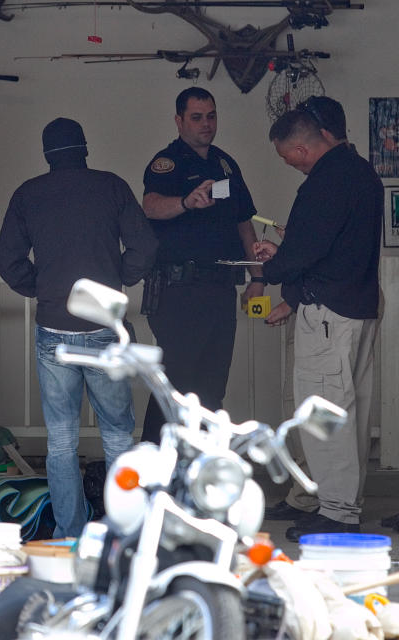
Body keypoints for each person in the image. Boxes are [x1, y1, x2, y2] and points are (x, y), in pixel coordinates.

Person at [0, 117, 158, 537]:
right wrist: (121, 276)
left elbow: (7, 259)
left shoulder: (28, 194)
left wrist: (45, 290)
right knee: (119, 436)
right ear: (84, 148)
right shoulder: (111, 187)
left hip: (54, 330)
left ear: (46, 154)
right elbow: (145, 245)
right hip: (104, 328)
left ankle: (70, 533)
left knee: (61, 442)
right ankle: (126, 530)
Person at [253, 96, 382, 542]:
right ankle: (334, 501)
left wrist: (269, 269)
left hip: (330, 312)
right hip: (356, 304)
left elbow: (306, 250)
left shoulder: (327, 180)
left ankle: (339, 512)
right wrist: (290, 269)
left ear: (304, 148)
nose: (295, 167)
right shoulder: (362, 173)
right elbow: (328, 246)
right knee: (350, 409)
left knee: (325, 410)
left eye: (292, 160)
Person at [139, 87, 264, 444]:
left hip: (221, 288)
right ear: (179, 121)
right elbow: (150, 206)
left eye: (211, 116)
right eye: (196, 117)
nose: (206, 124)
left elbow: (243, 222)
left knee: (212, 386)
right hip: (180, 292)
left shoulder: (225, 164)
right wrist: (185, 202)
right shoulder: (168, 163)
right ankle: (154, 470)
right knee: (175, 383)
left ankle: (204, 471)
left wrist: (258, 276)